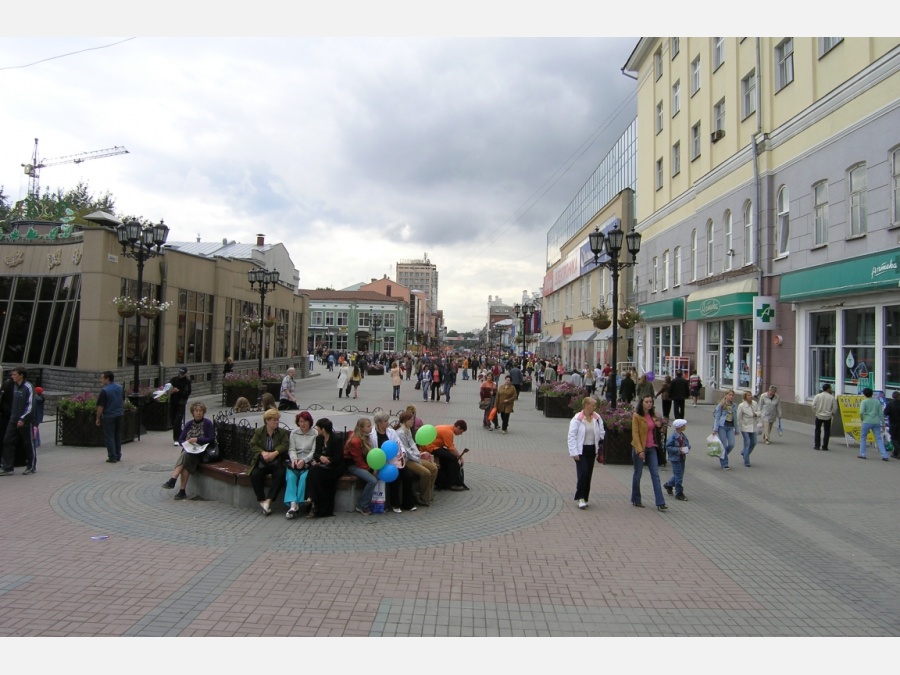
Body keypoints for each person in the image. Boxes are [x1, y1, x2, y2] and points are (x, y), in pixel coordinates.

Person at [162, 401, 216, 500]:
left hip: (201, 451)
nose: (198, 413)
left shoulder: (207, 423)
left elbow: (211, 438)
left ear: (203, 412)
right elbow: (181, 439)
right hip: (189, 450)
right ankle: (181, 490)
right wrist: (187, 442)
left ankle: (173, 478)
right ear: (193, 412)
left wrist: (197, 440)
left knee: (186, 456)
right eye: (196, 411)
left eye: (200, 411)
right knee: (186, 458)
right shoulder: (189, 424)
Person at [370, 411, 415, 513]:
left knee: (408, 476)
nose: (387, 423)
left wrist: (403, 452)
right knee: (395, 477)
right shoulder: (372, 434)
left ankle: (408, 503)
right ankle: (395, 504)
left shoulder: (391, 432)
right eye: (385, 421)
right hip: (382, 462)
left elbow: (399, 444)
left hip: (396, 460)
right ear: (379, 423)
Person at [247, 408, 289, 515]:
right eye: (274, 420)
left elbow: (285, 445)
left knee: (281, 474)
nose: (277, 422)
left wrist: (275, 453)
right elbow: (253, 445)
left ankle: (269, 500)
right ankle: (261, 500)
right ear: (267, 421)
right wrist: (262, 453)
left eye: (277, 420)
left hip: (276, 461)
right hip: (263, 461)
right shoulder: (259, 431)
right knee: (255, 474)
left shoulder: (282, 432)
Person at [567, 396, 605, 509]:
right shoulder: (577, 419)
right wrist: (574, 452)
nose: (594, 407)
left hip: (592, 449)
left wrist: (600, 440)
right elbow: (571, 435)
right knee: (583, 472)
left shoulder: (597, 418)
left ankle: (585, 497)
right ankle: (580, 497)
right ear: (586, 405)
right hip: (580, 450)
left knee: (588, 474)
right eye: (593, 405)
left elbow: (601, 431)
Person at [631, 395, 667, 510]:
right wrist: (640, 450)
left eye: (651, 402)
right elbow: (635, 434)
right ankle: (636, 499)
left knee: (655, 475)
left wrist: (660, 426)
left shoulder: (653, 416)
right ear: (642, 403)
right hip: (640, 448)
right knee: (638, 474)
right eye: (646, 402)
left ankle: (660, 502)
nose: (649, 404)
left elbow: (659, 430)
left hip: (652, 448)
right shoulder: (637, 416)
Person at [396, 410, 437, 506]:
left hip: (415, 457)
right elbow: (406, 450)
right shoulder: (400, 433)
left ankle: (428, 492)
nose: (413, 421)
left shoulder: (408, 430)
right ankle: (423, 498)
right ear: (405, 421)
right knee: (425, 473)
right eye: (411, 419)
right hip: (407, 460)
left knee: (434, 468)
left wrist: (418, 454)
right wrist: (417, 458)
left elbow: (413, 445)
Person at [304, 418, 344, 518]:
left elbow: (338, 457)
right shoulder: (319, 439)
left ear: (323, 429)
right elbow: (316, 453)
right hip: (322, 466)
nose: (316, 429)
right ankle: (313, 501)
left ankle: (311, 499)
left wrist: (328, 460)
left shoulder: (336, 439)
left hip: (334, 467)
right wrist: (320, 458)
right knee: (314, 472)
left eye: (318, 427)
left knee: (314, 472)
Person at [1, 367, 35, 476]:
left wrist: (23, 418)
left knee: (27, 443)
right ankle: (8, 467)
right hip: (13, 419)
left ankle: (31, 466)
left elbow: (30, 405)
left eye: (14, 374)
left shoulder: (28, 387)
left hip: (24, 421)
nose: (12, 376)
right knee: (7, 441)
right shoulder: (14, 386)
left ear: (21, 375)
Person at [284, 411, 317, 518]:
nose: (302, 424)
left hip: (307, 463)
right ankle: (292, 504)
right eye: (300, 422)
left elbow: (313, 451)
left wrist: (305, 460)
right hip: (296, 461)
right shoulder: (294, 433)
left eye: (305, 421)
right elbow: (292, 449)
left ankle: (298, 502)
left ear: (309, 422)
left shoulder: (315, 434)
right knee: (291, 477)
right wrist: (294, 459)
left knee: (304, 478)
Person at [344, 417, 378, 514]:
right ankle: (362, 505)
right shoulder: (355, 441)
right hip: (353, 465)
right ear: (361, 428)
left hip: (363, 464)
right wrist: (371, 469)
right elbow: (358, 461)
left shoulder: (366, 436)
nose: (370, 428)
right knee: (372, 480)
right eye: (368, 426)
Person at [423, 420, 468, 491]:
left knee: (448, 457)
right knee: (453, 459)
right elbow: (451, 449)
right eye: (461, 432)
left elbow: (450, 447)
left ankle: (442, 481)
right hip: (430, 447)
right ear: (458, 427)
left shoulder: (447, 428)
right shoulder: (448, 432)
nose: (461, 434)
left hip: (432, 446)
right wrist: (460, 457)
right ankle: (452, 484)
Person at [95, 370, 124, 464]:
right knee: (117, 435)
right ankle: (118, 454)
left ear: (107, 379)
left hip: (109, 415)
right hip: (119, 414)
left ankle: (112, 456)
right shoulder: (120, 388)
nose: (101, 380)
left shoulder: (105, 391)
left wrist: (98, 418)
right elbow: (122, 399)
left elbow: (100, 406)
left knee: (110, 436)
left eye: (102, 378)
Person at [858, 387, 890, 460]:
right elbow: (881, 413)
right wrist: (883, 423)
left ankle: (863, 454)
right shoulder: (877, 401)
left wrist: (862, 418)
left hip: (867, 421)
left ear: (864, 394)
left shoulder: (864, 401)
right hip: (876, 421)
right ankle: (884, 455)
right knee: (878, 438)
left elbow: (861, 412)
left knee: (863, 437)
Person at [663, 419, 691, 501]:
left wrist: (687, 448)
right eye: (683, 425)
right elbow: (668, 446)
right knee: (679, 476)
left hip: (682, 458)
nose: (685, 427)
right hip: (675, 459)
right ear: (679, 427)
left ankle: (669, 485)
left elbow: (687, 444)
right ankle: (679, 493)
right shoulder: (673, 437)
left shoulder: (682, 435)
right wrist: (679, 450)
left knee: (679, 474)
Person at [712, 389, 738, 470]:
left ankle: (721, 454)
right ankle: (724, 463)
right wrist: (715, 429)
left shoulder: (734, 405)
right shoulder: (721, 405)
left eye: (732, 395)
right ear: (726, 395)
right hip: (722, 426)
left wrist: (737, 429)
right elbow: (717, 417)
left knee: (731, 444)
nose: (731, 397)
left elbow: (735, 418)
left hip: (730, 427)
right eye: (729, 395)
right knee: (723, 445)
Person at [169, 367, 192, 447]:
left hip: (181, 403)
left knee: (177, 422)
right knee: (172, 421)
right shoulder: (174, 379)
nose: (181, 375)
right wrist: (170, 390)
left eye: (182, 374)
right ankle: (182, 434)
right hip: (172, 402)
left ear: (185, 373)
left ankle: (176, 439)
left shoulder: (187, 382)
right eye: (180, 373)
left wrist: (178, 391)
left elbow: (187, 393)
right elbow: (168, 387)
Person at [737, 390, 759, 467]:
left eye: (751, 395)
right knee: (747, 442)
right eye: (748, 395)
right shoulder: (741, 405)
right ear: (745, 397)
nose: (750, 396)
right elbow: (738, 417)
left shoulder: (755, 404)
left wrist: (756, 414)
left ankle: (744, 453)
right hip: (745, 426)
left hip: (753, 426)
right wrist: (736, 428)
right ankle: (747, 461)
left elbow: (760, 411)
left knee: (754, 442)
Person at [812, 383, 837, 451]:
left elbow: (813, 405)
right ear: (828, 389)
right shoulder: (831, 397)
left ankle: (817, 446)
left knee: (817, 430)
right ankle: (825, 446)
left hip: (819, 416)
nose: (831, 389)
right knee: (827, 431)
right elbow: (835, 408)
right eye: (830, 388)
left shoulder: (818, 396)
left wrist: (816, 412)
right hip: (827, 417)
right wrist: (832, 414)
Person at [886, 391, 900, 459]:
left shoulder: (890, 404)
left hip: (893, 423)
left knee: (893, 438)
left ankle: (897, 450)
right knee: (898, 438)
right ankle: (896, 453)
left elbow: (885, 412)